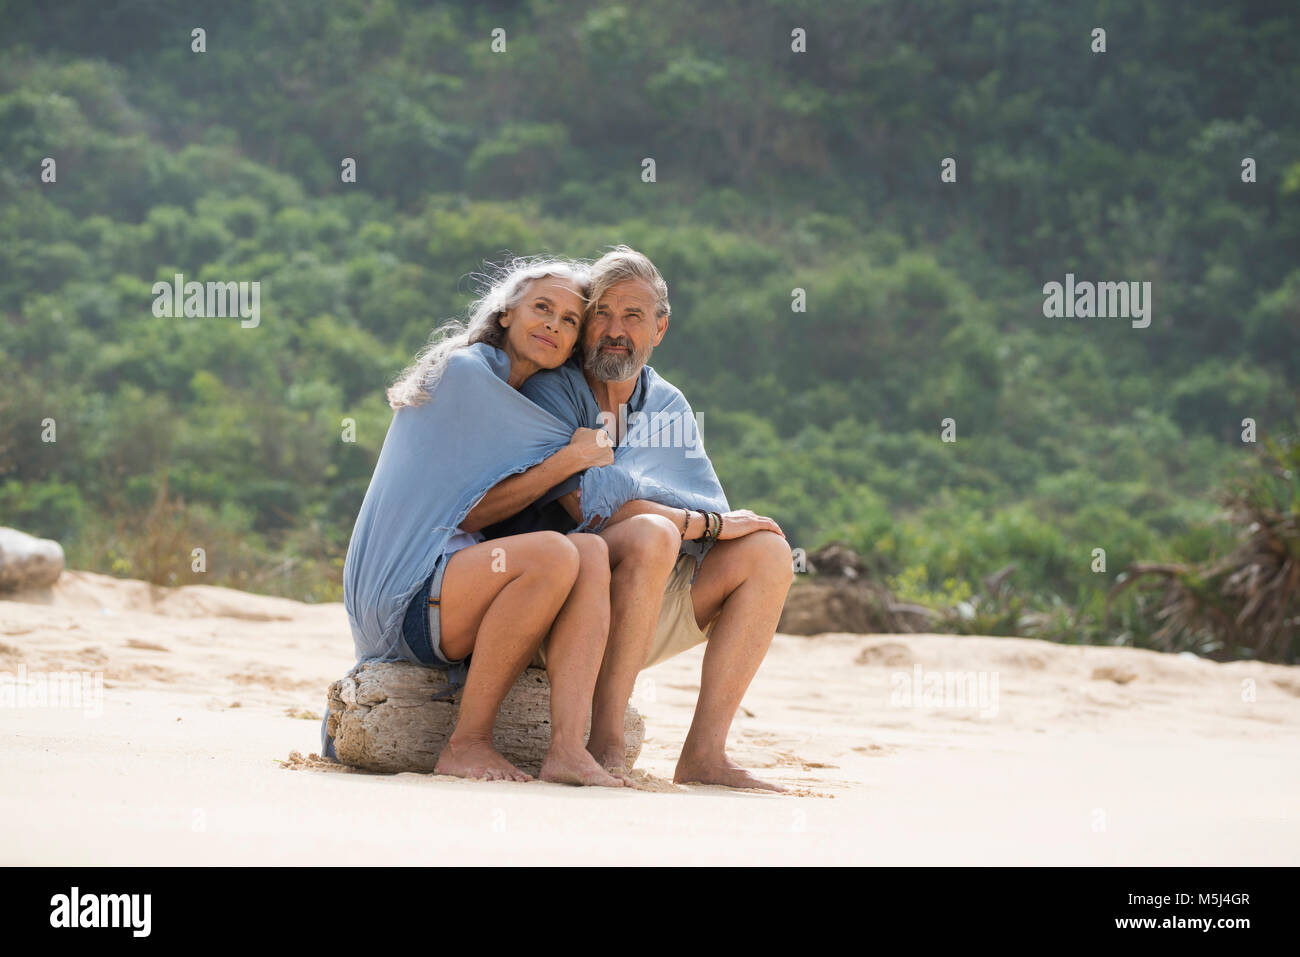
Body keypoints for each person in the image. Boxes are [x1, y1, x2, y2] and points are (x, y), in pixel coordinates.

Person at [487, 246, 794, 791]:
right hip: (554, 607)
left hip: (639, 603)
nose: (614, 330)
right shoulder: (554, 390)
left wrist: (709, 525)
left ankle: (704, 754)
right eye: (601, 313)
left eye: (632, 316)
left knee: (767, 551)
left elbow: (705, 511)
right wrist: (702, 524)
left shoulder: (668, 403)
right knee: (654, 532)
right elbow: (587, 503)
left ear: (660, 328)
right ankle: (607, 740)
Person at [338, 258, 624, 787]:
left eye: (568, 322)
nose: (553, 325)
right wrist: (569, 459)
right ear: (507, 311)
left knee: (590, 552)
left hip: (449, 587)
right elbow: (472, 511)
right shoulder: (469, 374)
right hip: (402, 595)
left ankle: (566, 749)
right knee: (556, 553)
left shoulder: (517, 394)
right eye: (542, 307)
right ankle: (466, 743)